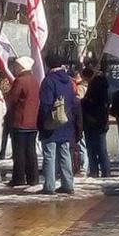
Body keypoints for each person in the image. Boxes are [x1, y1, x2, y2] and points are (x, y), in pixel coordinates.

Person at [38, 53, 81, 194]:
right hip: (66, 121)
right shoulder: (69, 81)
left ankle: (49, 186)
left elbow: (45, 104)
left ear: (48, 64)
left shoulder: (48, 81)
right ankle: (68, 184)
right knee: (65, 154)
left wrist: (43, 122)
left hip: (51, 122)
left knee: (49, 154)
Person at [5, 56, 40, 187]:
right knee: (31, 151)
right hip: (33, 121)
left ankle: (18, 178)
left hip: (20, 121)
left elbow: (12, 99)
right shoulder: (34, 80)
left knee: (19, 152)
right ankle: (33, 178)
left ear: (21, 67)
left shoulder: (20, 81)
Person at [79, 65, 112, 179]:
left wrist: (83, 102)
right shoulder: (103, 87)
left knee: (94, 149)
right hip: (101, 122)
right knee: (101, 149)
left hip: (92, 121)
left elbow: (89, 104)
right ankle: (105, 171)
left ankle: (95, 171)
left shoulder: (95, 87)